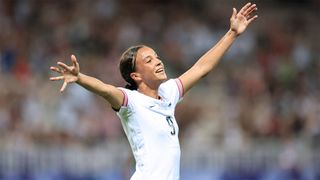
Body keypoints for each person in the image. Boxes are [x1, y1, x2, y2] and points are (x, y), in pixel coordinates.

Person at [50, 2, 258, 180]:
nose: (158, 62)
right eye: (149, 60)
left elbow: (201, 68)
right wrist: (79, 78)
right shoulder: (130, 102)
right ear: (136, 76)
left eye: (157, 57)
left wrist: (232, 34)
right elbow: (106, 90)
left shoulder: (168, 92)